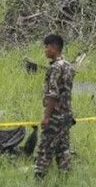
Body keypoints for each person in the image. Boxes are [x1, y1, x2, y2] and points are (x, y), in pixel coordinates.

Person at [35, 33, 74, 180]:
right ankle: (65, 178)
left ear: (54, 48)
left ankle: (39, 178)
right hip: (66, 115)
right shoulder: (69, 66)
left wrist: (46, 116)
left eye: (47, 47)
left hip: (55, 116)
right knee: (63, 148)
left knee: (45, 148)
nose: (45, 50)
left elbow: (53, 94)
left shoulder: (55, 68)